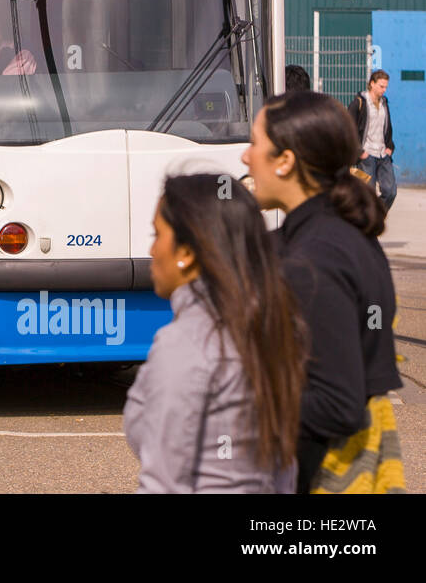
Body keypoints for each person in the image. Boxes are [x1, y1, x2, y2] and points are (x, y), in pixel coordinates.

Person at [242, 91, 404, 492]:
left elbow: (337, 403)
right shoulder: (336, 234)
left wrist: (235, 405)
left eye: (254, 144)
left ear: (285, 161)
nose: (246, 157)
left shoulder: (315, 260)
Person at [123, 175, 305, 492]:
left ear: (188, 252)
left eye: (157, 235)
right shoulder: (271, 324)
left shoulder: (187, 342)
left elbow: (163, 483)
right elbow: (285, 472)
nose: (151, 249)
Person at [349, 70, 396, 212]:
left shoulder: (384, 103)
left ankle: (375, 218)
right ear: (372, 84)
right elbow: (348, 127)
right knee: (368, 195)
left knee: (390, 192)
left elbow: (388, 127)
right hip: (367, 155)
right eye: (381, 86)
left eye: (386, 87)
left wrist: (390, 147)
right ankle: (366, 224)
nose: (384, 90)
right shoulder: (359, 103)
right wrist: (360, 152)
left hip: (383, 154)